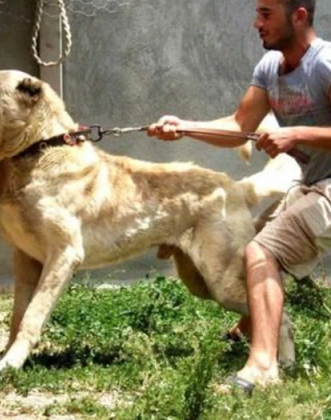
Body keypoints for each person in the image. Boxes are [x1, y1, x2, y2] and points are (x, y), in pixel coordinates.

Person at [147, 0, 331, 391]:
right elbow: (239, 125)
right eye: (257, 13)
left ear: (298, 16)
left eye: (266, 14)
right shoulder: (269, 69)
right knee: (252, 243)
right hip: (313, 182)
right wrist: (185, 127)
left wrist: (296, 134)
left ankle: (263, 366)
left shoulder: (325, 64)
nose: (256, 23)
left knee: (262, 252)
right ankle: (252, 326)